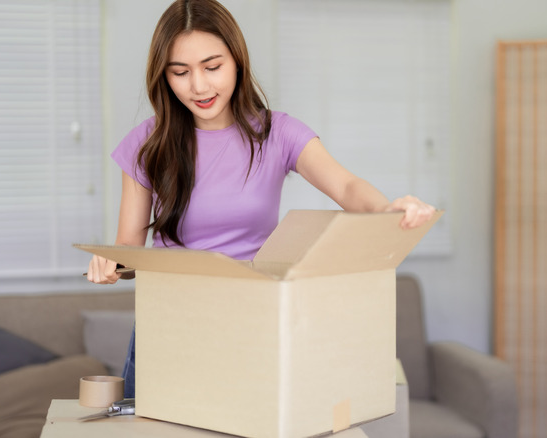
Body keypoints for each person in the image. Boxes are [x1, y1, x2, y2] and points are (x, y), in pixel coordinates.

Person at [86, 0, 436, 398]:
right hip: (169, 324)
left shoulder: (278, 133)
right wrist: (111, 263)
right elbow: (129, 247)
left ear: (237, 60)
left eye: (212, 67)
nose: (198, 86)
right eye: (180, 73)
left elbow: (347, 188)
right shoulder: (146, 146)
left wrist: (387, 210)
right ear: (164, 76)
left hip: (251, 322)